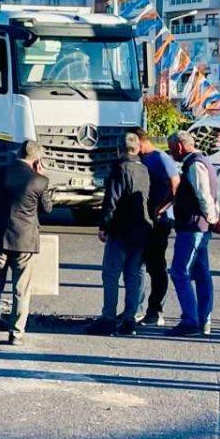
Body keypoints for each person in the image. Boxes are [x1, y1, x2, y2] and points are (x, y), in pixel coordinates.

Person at [0, 140, 53, 346]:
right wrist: (42, 176)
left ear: (18, 153)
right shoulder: (39, 181)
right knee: (21, 288)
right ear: (37, 159)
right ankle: (16, 333)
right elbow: (47, 208)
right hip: (24, 241)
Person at [89, 132, 152, 336]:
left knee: (111, 275)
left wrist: (104, 225)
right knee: (133, 276)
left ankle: (108, 318)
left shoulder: (119, 169)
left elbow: (112, 200)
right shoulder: (144, 169)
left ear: (119, 150)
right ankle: (129, 319)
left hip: (121, 229)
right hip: (142, 230)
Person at [168, 131, 220, 336]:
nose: (172, 153)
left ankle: (190, 320)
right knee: (201, 273)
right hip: (200, 226)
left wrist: (212, 219)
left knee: (179, 272)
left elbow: (203, 195)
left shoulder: (194, 165)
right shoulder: (204, 162)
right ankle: (204, 319)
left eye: (172, 149)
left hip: (193, 226)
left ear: (181, 147)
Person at [135, 128, 181, 326]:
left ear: (141, 141)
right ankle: (136, 309)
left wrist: (162, 208)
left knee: (156, 267)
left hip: (159, 221)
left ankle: (156, 311)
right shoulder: (140, 159)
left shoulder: (161, 158)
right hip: (143, 221)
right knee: (138, 265)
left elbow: (175, 185)